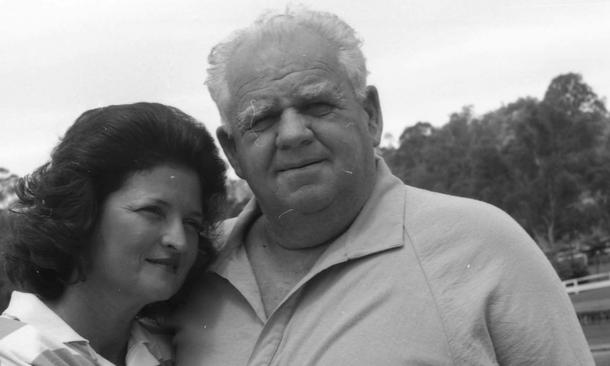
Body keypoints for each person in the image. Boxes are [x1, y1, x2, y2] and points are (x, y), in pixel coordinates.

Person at [167, 7, 594, 366]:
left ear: (371, 115)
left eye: (317, 105)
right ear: (233, 152)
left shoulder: (482, 245)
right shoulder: (184, 262)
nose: (293, 133)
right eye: (262, 119)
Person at [0, 102, 227, 366]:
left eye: (192, 223)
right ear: (83, 213)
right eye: (152, 212)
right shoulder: (2, 352)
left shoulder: (168, 348)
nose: (179, 241)